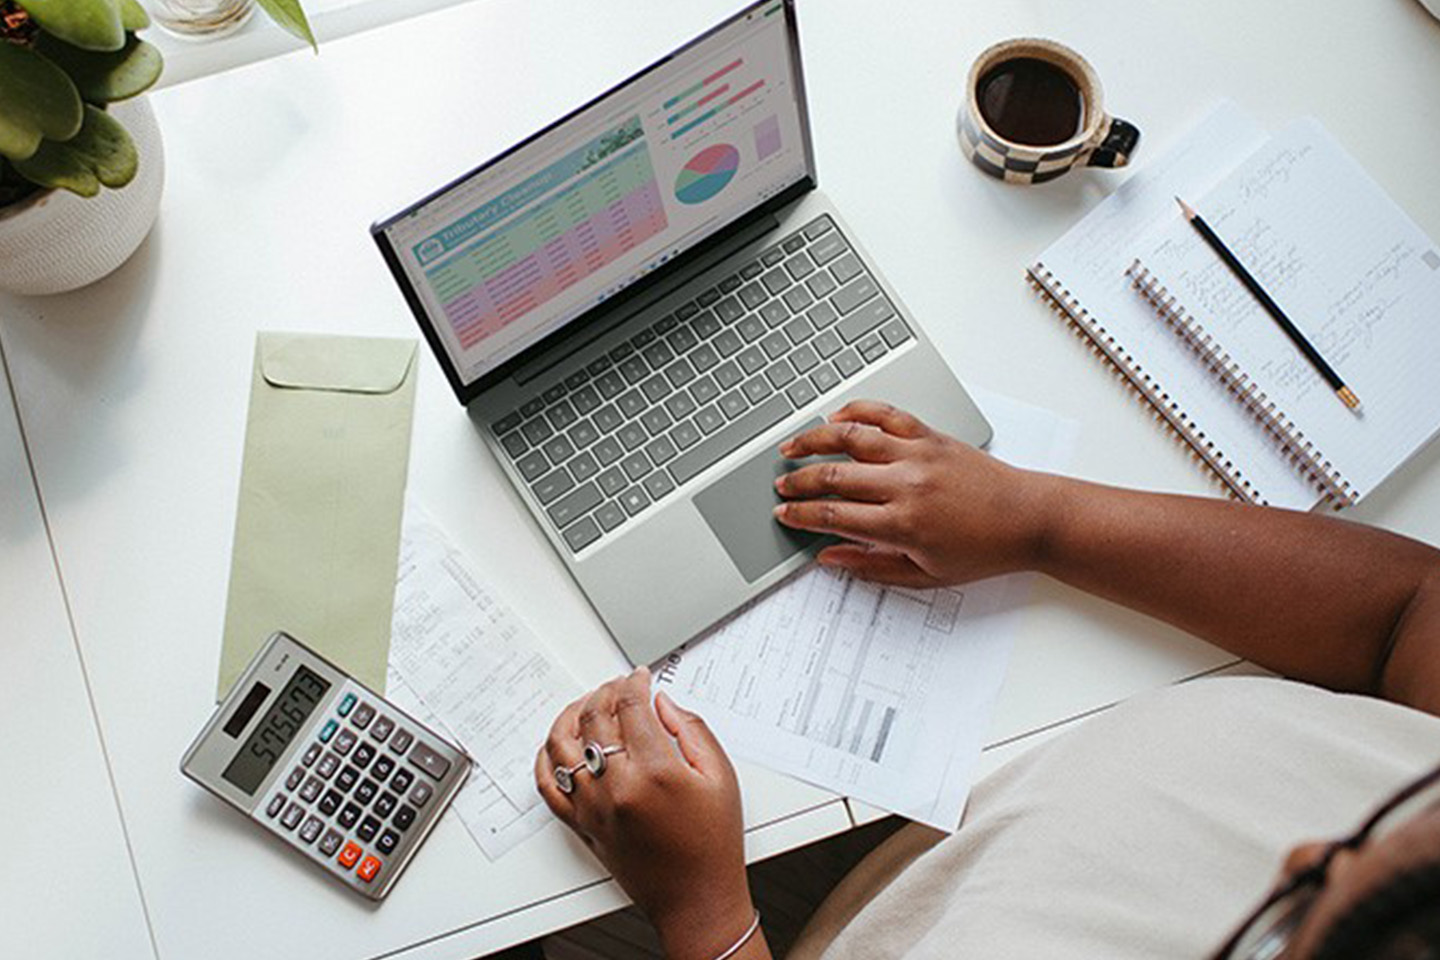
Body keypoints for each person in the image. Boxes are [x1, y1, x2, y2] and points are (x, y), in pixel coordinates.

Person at [535, 401, 1440, 960]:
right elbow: (1415, 610)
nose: (1307, 851)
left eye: (1300, 922)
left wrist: (704, 916)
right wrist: (1038, 520)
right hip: (987, 801)